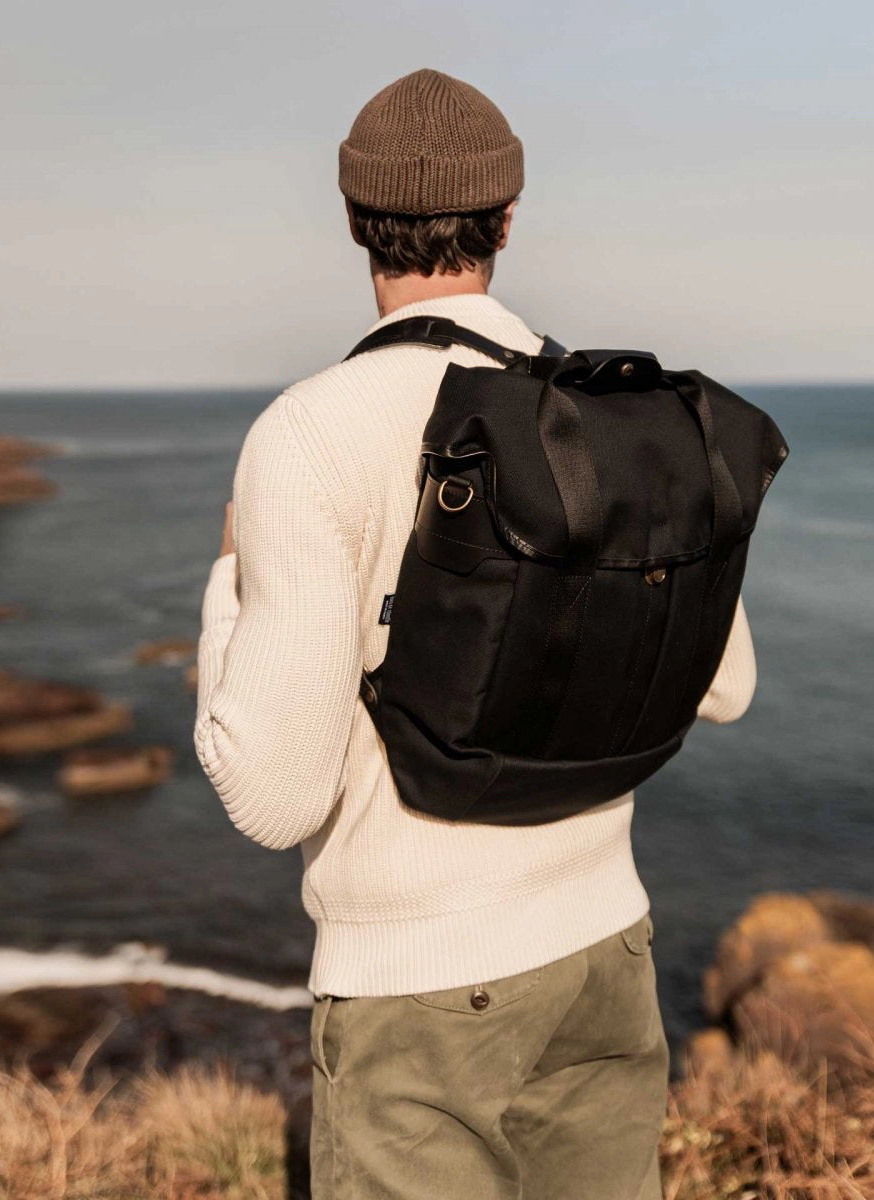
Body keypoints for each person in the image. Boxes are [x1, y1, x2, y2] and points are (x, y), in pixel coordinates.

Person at [194, 66, 757, 1200]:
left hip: (418, 988)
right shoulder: (606, 415)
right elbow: (726, 685)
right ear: (507, 215)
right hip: (607, 948)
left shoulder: (309, 433)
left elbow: (272, 798)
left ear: (355, 221)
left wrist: (229, 579)